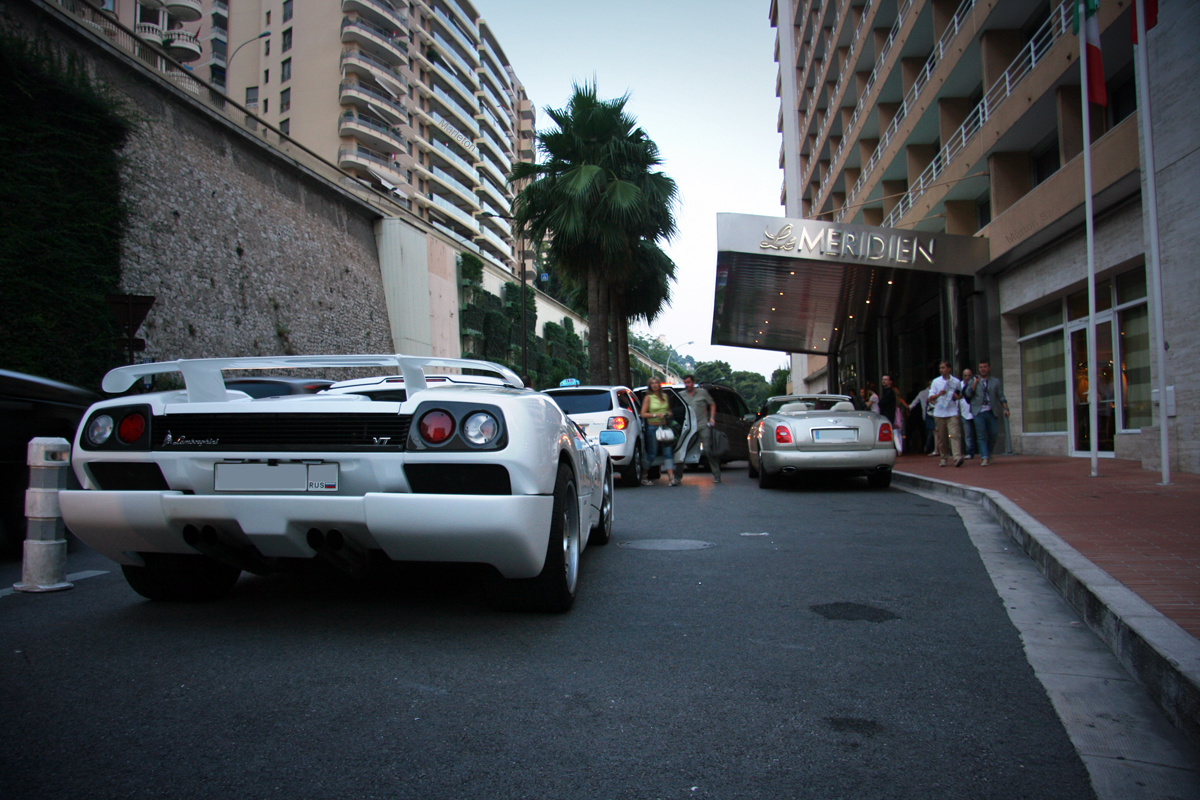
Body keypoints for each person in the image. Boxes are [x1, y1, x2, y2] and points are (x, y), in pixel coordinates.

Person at [963, 358, 1009, 466]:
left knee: (993, 434)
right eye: (980, 367)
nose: (982, 369)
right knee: (981, 435)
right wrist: (974, 383)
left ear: (989, 368)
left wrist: (1006, 408)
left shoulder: (995, 382)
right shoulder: (973, 380)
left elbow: (1001, 396)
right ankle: (984, 457)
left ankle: (989, 452)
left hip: (991, 411)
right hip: (979, 412)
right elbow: (968, 394)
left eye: (984, 367)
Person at [681, 375, 721, 483]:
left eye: (689, 382)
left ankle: (717, 475)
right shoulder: (682, 395)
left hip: (702, 425)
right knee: (683, 450)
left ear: (693, 382)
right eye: (685, 383)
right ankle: (677, 477)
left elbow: (712, 404)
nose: (687, 385)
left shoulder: (702, 393)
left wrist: (712, 418)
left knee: (708, 450)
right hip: (689, 427)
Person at [640, 377, 679, 486]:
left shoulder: (665, 396)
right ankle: (644, 475)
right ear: (650, 386)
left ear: (659, 384)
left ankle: (671, 478)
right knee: (652, 453)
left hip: (665, 426)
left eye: (656, 383)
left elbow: (669, 410)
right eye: (652, 383)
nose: (654, 385)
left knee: (668, 452)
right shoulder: (648, 398)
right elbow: (643, 414)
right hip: (652, 427)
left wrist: (669, 414)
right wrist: (656, 415)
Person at [928, 360, 964, 467]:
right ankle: (944, 457)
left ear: (949, 369)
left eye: (943, 368)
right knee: (942, 437)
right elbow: (930, 398)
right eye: (940, 368)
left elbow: (960, 394)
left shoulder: (956, 382)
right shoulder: (936, 382)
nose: (941, 370)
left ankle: (957, 457)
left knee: (954, 434)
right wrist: (939, 394)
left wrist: (957, 397)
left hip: (952, 411)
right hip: (939, 412)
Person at [879, 375, 908, 453]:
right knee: (896, 433)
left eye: (886, 379)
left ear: (890, 382)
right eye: (883, 379)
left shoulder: (889, 392)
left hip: (890, 415)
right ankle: (898, 448)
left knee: (894, 433)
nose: (884, 381)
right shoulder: (887, 392)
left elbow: (883, 403)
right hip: (890, 415)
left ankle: (897, 448)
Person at [959, 368, 976, 459]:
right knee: (968, 434)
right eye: (965, 375)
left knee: (980, 433)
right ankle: (970, 452)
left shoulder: (975, 383)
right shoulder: (960, 385)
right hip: (964, 413)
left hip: (975, 412)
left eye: (969, 375)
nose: (967, 377)